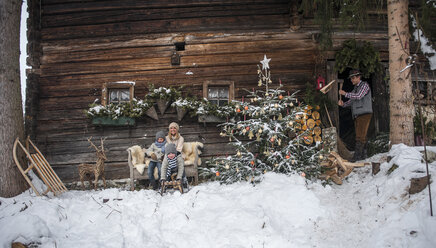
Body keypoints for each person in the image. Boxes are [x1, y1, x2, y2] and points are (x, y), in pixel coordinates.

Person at [338, 69, 373, 161]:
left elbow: (358, 96)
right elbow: (352, 101)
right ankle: (363, 156)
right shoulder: (355, 88)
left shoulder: (364, 85)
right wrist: (343, 104)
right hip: (358, 114)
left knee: (360, 136)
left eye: (353, 78)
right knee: (362, 135)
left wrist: (345, 93)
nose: (351, 80)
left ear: (359, 77)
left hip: (364, 113)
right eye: (351, 78)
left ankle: (357, 157)